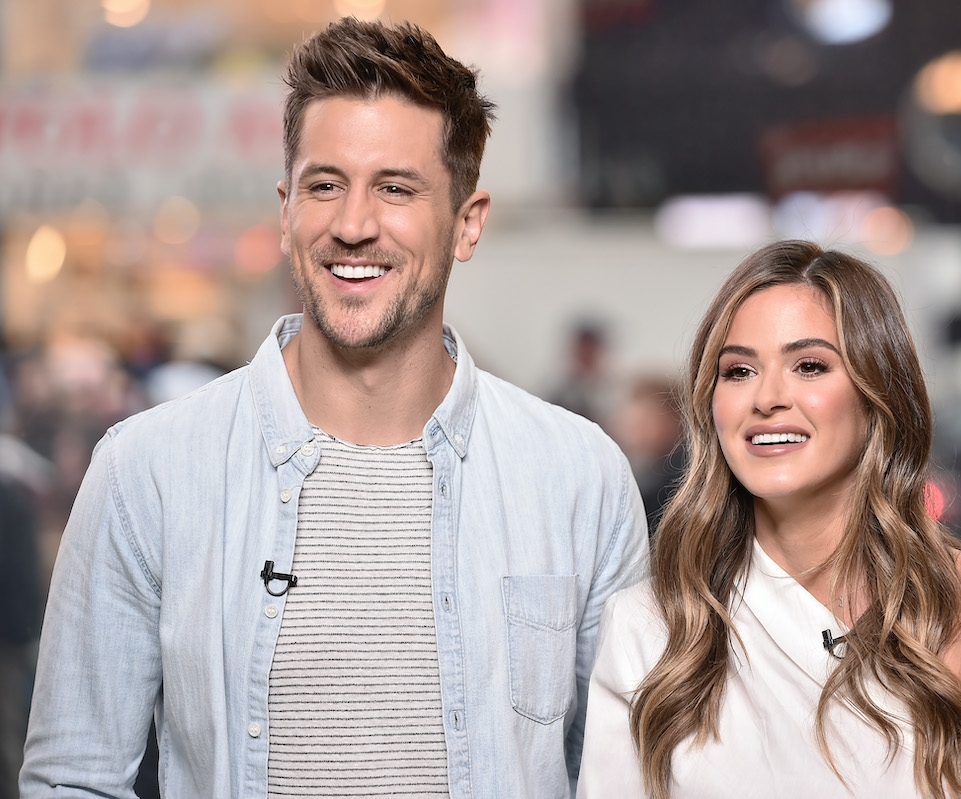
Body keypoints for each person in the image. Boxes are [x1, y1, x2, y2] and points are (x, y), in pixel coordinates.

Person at [21, 17, 647, 799]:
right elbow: (71, 777)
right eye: (325, 184)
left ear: (467, 221)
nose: (353, 225)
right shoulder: (146, 471)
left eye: (396, 188)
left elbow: (625, 777)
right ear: (286, 211)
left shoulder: (577, 476)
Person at [577, 241, 961, 799]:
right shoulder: (650, 628)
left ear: (878, 395)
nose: (768, 397)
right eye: (740, 370)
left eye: (810, 366)